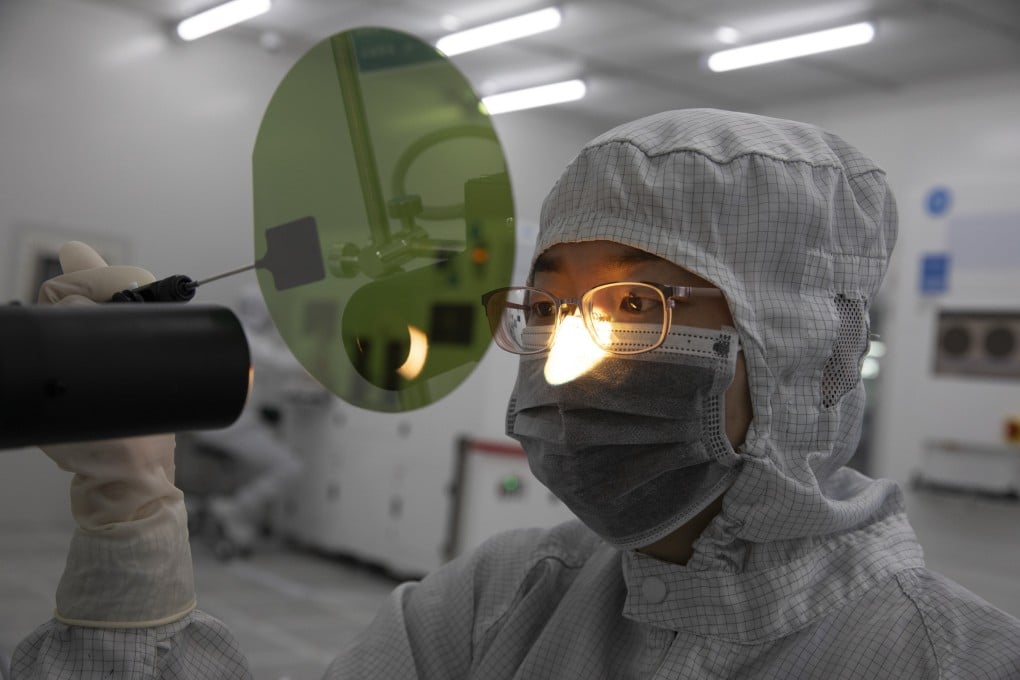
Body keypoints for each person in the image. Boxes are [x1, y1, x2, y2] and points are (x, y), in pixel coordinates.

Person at [13, 108, 1020, 679]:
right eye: (545, 303)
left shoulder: (948, 661)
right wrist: (133, 514)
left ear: (816, 347)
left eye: (630, 299)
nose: (566, 353)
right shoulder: (494, 602)